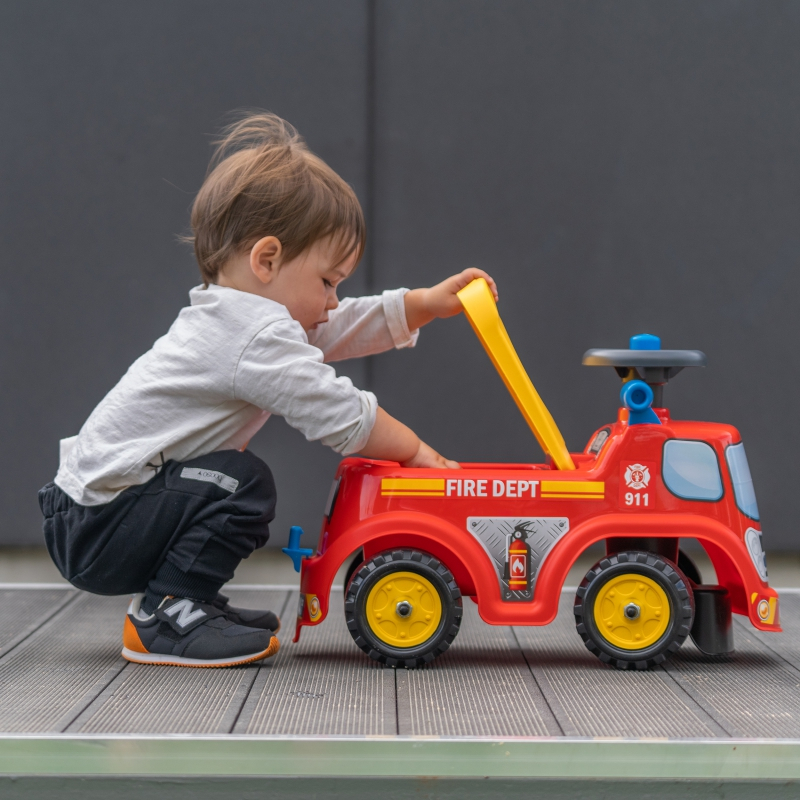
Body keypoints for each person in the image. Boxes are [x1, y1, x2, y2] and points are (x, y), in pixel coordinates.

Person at [38, 112, 498, 668]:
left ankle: (185, 600)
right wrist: (417, 452)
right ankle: (167, 614)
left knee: (231, 477)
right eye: (327, 281)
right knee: (242, 483)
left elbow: (336, 326)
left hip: (94, 515)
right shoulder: (250, 335)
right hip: (101, 528)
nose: (332, 299)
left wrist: (422, 304)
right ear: (267, 260)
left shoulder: (238, 319)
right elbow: (337, 411)